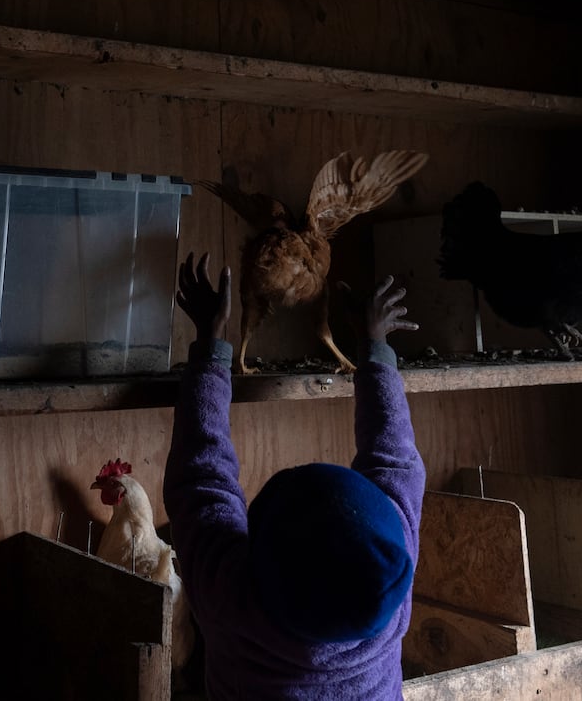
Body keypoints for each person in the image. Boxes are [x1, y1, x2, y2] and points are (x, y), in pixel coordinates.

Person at [165, 254, 425, 700]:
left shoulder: (231, 597)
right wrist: (376, 344)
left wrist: (210, 345)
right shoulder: (389, 587)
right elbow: (395, 459)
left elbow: (201, 476)